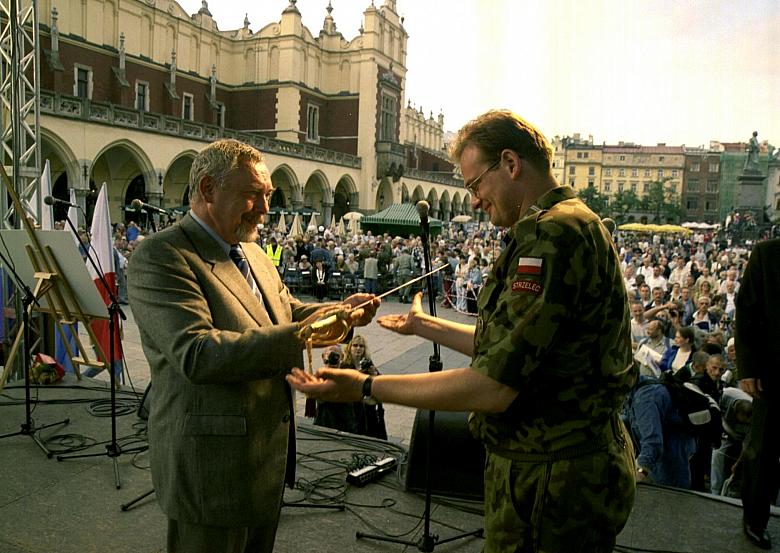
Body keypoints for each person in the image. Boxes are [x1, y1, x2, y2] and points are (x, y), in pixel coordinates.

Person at [287, 110, 637, 552]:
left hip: (553, 476)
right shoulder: (564, 223)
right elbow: (515, 351)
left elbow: (494, 385)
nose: (473, 201)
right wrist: (426, 326)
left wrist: (365, 387)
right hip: (554, 466)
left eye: (475, 185)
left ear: (510, 164)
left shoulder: (553, 235)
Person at [127, 138, 378, 553]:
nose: (264, 208)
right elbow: (197, 353)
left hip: (264, 462)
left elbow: (286, 311)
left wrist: (340, 314)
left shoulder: (254, 252)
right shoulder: (162, 256)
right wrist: (303, 335)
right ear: (208, 189)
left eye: (268, 195)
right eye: (252, 194)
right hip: (211, 467)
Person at [735, 238, 780, 550]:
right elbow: (746, 313)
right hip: (772, 375)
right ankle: (755, 520)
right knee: (763, 451)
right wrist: (748, 368)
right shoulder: (767, 255)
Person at [624, 375, 697, 489]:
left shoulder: (644, 399)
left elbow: (652, 442)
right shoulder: (644, 386)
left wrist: (640, 471)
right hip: (675, 455)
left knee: (671, 497)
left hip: (668, 465)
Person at [341, 334, 387, 440]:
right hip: (353, 409)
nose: (358, 348)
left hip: (368, 409)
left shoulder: (367, 363)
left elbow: (381, 382)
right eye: (355, 345)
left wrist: (375, 374)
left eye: (361, 346)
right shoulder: (345, 365)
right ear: (349, 348)